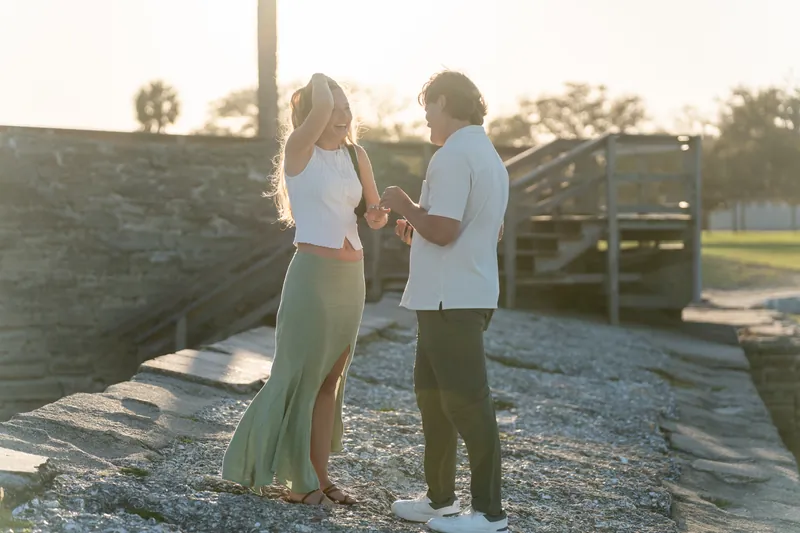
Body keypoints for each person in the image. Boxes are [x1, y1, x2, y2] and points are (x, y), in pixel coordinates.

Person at [221, 73, 389, 507]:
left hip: (351, 278)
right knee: (300, 376)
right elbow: (318, 107)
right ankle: (299, 483)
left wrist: (378, 216)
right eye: (332, 107)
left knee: (330, 380)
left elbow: (374, 211)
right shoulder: (299, 150)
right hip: (312, 278)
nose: (342, 114)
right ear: (313, 113)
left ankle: (320, 477)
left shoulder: (357, 155)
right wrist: (321, 82)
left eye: (346, 107)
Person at [380, 71, 509, 533]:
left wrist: (403, 204)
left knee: (469, 405)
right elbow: (482, 230)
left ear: (445, 102)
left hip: (450, 300)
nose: (426, 119)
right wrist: (419, 227)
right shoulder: (488, 155)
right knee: (434, 402)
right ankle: (440, 500)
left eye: (428, 108)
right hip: (457, 295)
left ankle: (490, 515)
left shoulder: (453, 155)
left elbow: (445, 230)